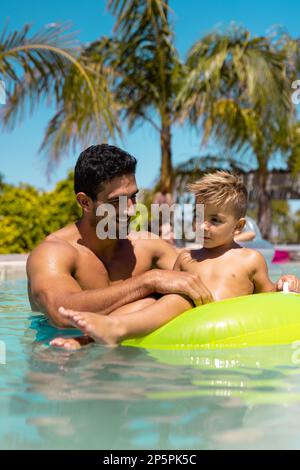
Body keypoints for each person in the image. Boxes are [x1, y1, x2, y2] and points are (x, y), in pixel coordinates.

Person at [55, 171, 300, 347]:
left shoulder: (249, 259)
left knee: (180, 298)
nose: (203, 226)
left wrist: (284, 286)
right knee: (151, 299)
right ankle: (88, 337)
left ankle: (116, 329)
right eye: (199, 216)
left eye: (215, 220)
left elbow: (267, 299)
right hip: (184, 323)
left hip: (220, 324)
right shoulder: (186, 258)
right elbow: (159, 300)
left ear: (238, 227)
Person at [27, 144, 213, 348]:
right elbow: (60, 313)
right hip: (65, 363)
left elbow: (205, 281)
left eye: (133, 197)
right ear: (85, 202)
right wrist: (150, 282)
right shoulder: (53, 253)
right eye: (117, 201)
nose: (132, 211)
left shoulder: (147, 246)